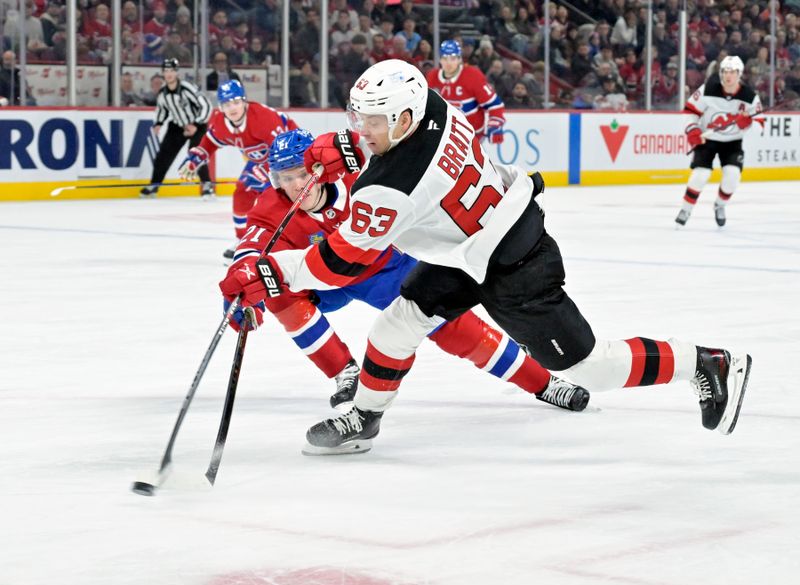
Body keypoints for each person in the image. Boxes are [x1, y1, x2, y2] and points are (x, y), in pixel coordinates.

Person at [230, 60, 752, 454]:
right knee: (396, 326)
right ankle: (365, 417)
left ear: (403, 117)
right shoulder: (432, 102)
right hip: (467, 243)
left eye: (372, 121)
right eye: (357, 118)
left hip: (510, 258)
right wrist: (353, 142)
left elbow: (338, 264)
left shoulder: (388, 189)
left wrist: (272, 270)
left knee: (593, 366)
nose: (363, 128)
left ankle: (706, 360)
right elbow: (392, 144)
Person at [218, 128, 590, 422]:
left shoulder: (356, 176)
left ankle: (543, 383)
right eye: (286, 177)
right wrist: (239, 293)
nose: (298, 185)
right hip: (324, 281)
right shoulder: (270, 206)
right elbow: (249, 254)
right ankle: (345, 372)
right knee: (277, 291)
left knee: (456, 329)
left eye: (303, 173)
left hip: (383, 269)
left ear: (319, 168)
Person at [178, 79, 298, 260]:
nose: (232, 108)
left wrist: (268, 170)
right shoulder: (220, 122)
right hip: (264, 159)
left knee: (279, 195)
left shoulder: (263, 119)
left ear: (244, 102)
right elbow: (209, 143)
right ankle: (243, 240)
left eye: (236, 102)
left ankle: (294, 237)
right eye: (226, 104)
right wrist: (197, 158)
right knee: (242, 191)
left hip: (292, 153)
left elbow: (283, 149)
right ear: (220, 107)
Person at [676, 55, 762, 228]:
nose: (728, 75)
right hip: (707, 139)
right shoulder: (708, 89)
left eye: (732, 72)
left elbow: (760, 126)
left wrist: (747, 123)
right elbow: (690, 111)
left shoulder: (750, 97)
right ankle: (686, 209)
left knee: (732, 177)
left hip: (732, 142)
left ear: (740, 74)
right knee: (700, 175)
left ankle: (720, 205)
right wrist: (692, 129)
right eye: (725, 71)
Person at [140, 59, 213, 199]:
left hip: (197, 124)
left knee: (196, 153)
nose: (169, 74)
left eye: (172, 71)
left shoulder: (187, 88)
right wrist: (158, 124)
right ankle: (154, 184)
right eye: (166, 71)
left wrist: (196, 125)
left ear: (177, 72)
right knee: (164, 154)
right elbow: (162, 110)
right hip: (178, 126)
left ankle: (207, 185)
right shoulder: (163, 92)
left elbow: (206, 105)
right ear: (162, 73)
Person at [426, 40, 506, 144]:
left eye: (453, 58)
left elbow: (494, 104)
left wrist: (495, 124)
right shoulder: (432, 77)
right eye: (445, 58)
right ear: (440, 60)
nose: (448, 63)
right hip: (443, 136)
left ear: (460, 59)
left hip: (472, 136)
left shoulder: (472, 75)